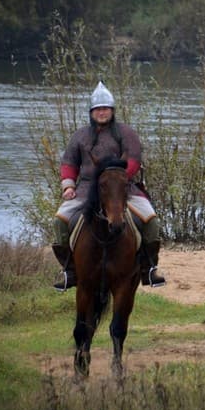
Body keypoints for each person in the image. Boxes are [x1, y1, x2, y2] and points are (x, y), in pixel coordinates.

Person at [52, 81, 166, 291]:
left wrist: (118, 180)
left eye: (105, 109)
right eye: (98, 109)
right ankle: (69, 271)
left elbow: (133, 160)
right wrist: (68, 186)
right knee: (59, 223)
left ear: (112, 111)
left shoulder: (126, 133)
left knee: (151, 222)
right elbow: (68, 163)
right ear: (91, 112)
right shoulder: (79, 136)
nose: (102, 113)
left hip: (124, 189)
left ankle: (149, 269)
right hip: (86, 190)